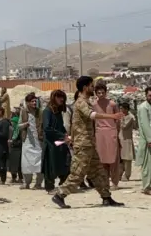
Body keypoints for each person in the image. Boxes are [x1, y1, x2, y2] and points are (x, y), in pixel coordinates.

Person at [52, 76, 125, 209]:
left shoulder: (85, 101)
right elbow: (91, 115)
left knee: (99, 172)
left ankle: (106, 197)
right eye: (91, 86)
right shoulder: (81, 102)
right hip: (83, 144)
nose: (93, 88)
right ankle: (60, 195)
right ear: (85, 87)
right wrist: (112, 116)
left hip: (89, 144)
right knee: (78, 172)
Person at [93, 83, 121, 190]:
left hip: (111, 132)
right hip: (99, 133)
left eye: (102, 92)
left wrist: (117, 132)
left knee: (113, 159)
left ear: (106, 92)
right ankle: (105, 182)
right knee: (102, 159)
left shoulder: (112, 104)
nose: (100, 94)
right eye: (98, 92)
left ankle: (115, 182)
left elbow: (118, 119)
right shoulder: (94, 105)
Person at [42, 90, 70, 193]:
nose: (61, 99)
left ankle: (63, 185)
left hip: (60, 143)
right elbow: (47, 128)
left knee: (65, 163)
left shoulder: (57, 112)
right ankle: (50, 188)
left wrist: (66, 135)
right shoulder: (47, 111)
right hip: (50, 144)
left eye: (62, 97)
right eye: (58, 97)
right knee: (50, 166)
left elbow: (60, 126)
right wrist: (62, 136)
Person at [118, 102, 138, 181]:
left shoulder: (130, 117)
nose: (120, 110)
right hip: (120, 139)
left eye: (122, 108)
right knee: (120, 159)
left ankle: (127, 175)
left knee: (127, 159)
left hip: (127, 140)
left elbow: (124, 126)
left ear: (126, 109)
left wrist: (121, 119)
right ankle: (119, 174)